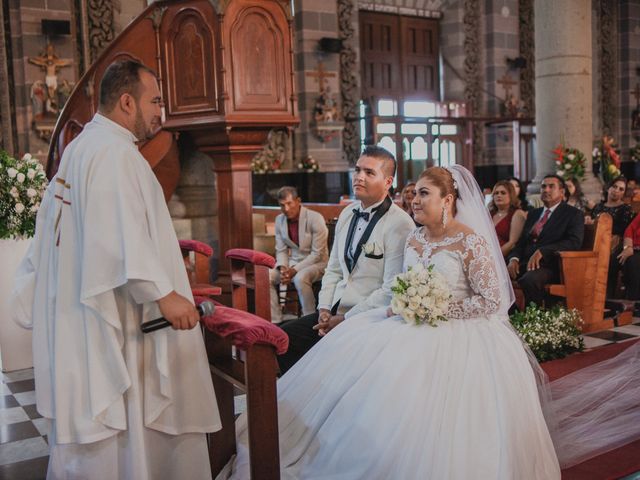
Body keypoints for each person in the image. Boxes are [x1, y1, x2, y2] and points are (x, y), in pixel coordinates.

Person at [220, 166, 562, 479]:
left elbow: (491, 301)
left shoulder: (469, 241)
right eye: (414, 193)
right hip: (408, 318)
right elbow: (401, 284)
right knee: (356, 354)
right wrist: (407, 302)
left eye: (424, 193)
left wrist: (435, 309)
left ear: (448, 199)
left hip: (461, 332)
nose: (414, 199)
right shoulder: (415, 239)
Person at [11, 60, 220, 479]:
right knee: (128, 430)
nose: (161, 111)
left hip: (80, 318)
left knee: (101, 432)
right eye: (155, 101)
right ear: (127, 102)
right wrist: (164, 295)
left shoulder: (81, 150)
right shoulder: (113, 154)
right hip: (115, 321)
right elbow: (116, 237)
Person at [277, 146, 415, 374]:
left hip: (369, 316)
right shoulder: (347, 214)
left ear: (388, 182)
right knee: (282, 338)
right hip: (334, 308)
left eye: (369, 173)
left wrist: (346, 318)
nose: (359, 177)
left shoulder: (400, 224)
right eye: (358, 170)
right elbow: (333, 270)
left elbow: (391, 288)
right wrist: (323, 308)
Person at [507, 175, 584, 307]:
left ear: (562, 192)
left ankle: (535, 320)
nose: (546, 190)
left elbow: (574, 242)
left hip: (550, 265)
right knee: (495, 276)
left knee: (529, 280)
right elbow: (521, 243)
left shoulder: (573, 214)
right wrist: (513, 259)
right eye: (543, 186)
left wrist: (543, 251)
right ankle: (513, 318)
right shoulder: (533, 214)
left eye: (551, 186)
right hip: (525, 263)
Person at [270, 186, 328, 323]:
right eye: (282, 205)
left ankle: (309, 319)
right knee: (266, 276)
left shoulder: (315, 218)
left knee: (300, 278)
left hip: (318, 264)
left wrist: (294, 270)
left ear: (298, 201)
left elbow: (317, 254)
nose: (286, 209)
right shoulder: (279, 220)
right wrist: (283, 268)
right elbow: (281, 250)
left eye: (289, 203)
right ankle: (276, 320)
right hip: (292, 263)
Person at [589, 176, 635, 297]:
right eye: (614, 187)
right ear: (608, 188)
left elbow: (624, 229)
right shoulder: (598, 207)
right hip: (596, 241)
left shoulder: (625, 209)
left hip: (615, 243)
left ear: (623, 193)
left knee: (609, 262)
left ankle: (606, 297)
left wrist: (601, 226)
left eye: (621, 189)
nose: (616, 191)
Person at [489, 179, 527, 258]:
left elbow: (512, 243)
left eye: (503, 193)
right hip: (486, 252)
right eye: (496, 193)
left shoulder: (518, 214)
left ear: (511, 195)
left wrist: (494, 258)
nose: (499, 195)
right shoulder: (490, 214)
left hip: (503, 256)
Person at [614, 212, 640, 300]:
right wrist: (628, 247)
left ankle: (634, 302)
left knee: (633, 261)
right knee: (614, 258)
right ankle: (607, 299)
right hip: (633, 247)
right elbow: (630, 228)